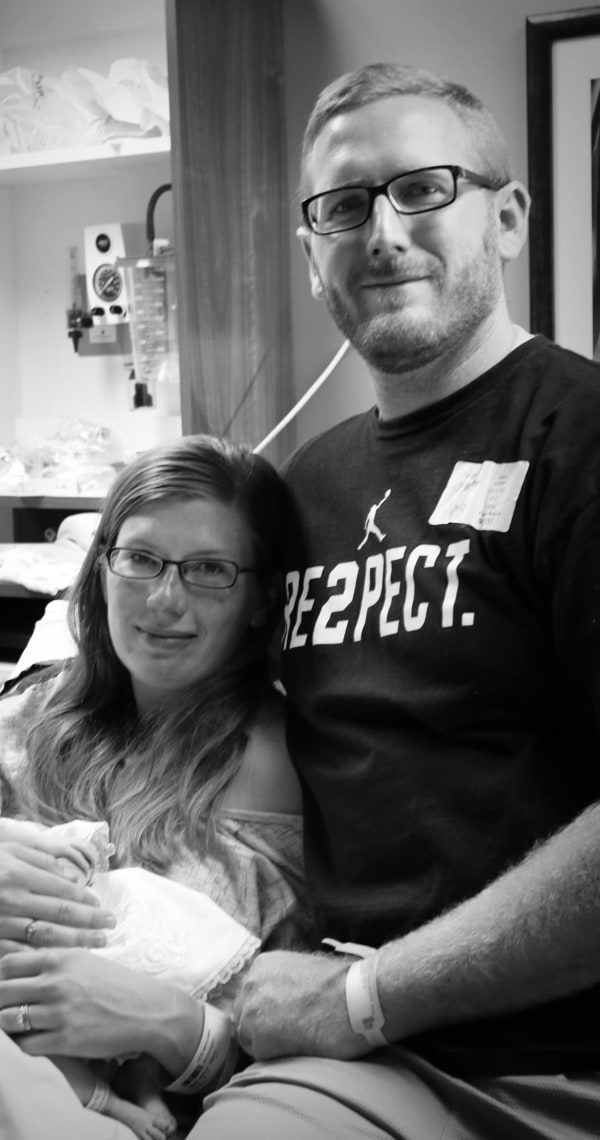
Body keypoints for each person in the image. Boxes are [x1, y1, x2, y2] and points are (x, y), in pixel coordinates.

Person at [182, 61, 600, 1140]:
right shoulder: (303, 489)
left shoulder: (579, 443)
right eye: (344, 204)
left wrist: (361, 999)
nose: (381, 230)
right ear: (310, 252)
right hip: (357, 1050)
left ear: (505, 219)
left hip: (550, 1056)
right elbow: (181, 685)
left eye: (422, 189)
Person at [0, 435, 306, 1135]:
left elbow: (279, 1035)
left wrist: (166, 1024)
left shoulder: (278, 772)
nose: (164, 599)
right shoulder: (29, 712)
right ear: (103, 566)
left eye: (210, 569)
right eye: (140, 559)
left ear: (264, 597)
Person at [0, 755, 260, 1139]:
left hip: (63, 949)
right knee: (27, 1030)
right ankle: (117, 1100)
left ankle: (133, 1089)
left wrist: (169, 1021)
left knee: (68, 1023)